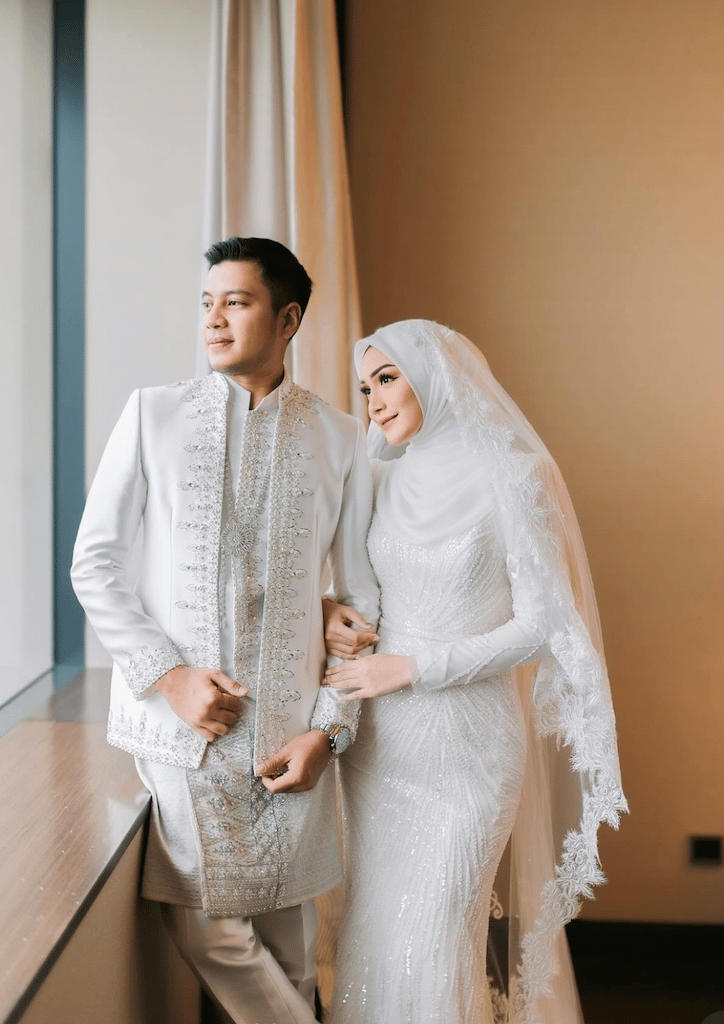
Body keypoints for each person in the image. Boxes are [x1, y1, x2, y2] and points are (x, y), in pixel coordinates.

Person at [71, 237, 378, 1024]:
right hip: (184, 730)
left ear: (288, 319)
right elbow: (94, 565)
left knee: (291, 947)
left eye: (235, 303)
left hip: (292, 733)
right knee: (206, 926)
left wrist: (328, 733)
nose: (213, 319)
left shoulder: (341, 437)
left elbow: (359, 607)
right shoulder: (153, 414)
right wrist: (169, 677)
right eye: (207, 303)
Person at [322, 320, 627, 1023]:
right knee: (374, 935)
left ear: (436, 377)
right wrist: (331, 611)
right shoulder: (378, 476)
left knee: (434, 940)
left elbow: (543, 624)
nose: (373, 400)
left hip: (469, 750)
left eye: (388, 378)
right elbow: (357, 588)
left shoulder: (515, 475)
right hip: (378, 748)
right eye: (365, 387)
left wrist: (415, 668)